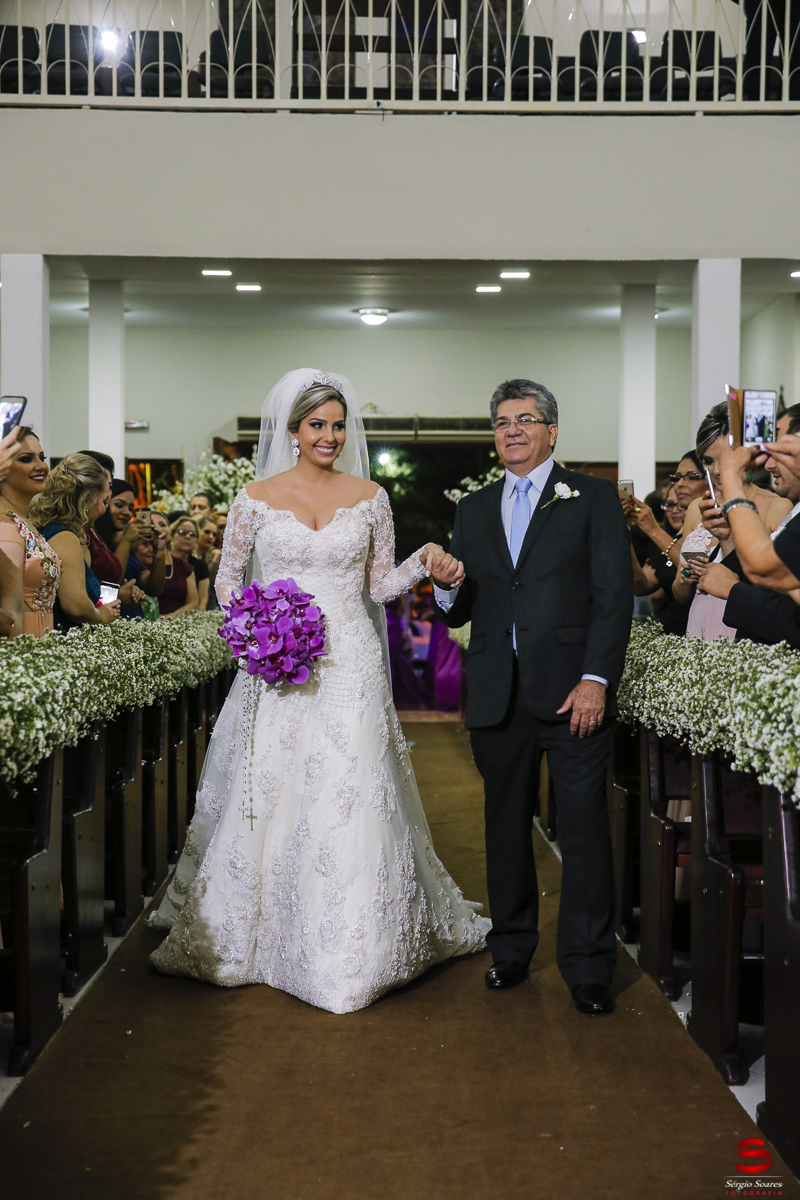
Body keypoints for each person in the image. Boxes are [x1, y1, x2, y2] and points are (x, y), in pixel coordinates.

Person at [148, 368, 489, 1013]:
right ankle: (259, 935)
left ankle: (360, 943)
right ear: (293, 430)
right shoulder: (254, 497)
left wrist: (423, 562)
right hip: (276, 663)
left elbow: (380, 587)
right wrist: (261, 625)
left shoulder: (371, 496)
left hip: (350, 662)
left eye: (337, 425)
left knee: (349, 783)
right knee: (276, 784)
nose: (329, 436)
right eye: (317, 426)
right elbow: (226, 586)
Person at [432, 379, 632, 1016]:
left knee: (583, 831)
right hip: (498, 692)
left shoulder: (592, 498)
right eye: (500, 422)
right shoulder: (474, 508)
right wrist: (443, 588)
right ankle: (511, 949)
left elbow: (612, 598)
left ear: (551, 431)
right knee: (504, 827)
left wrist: (597, 679)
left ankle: (588, 965)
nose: (511, 430)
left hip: (575, 693)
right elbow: (460, 605)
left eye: (525, 419)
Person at [672, 403, 790, 640]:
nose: (716, 471)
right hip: (699, 623)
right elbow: (679, 593)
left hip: (744, 628)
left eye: (724, 459)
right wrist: (686, 578)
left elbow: (776, 593)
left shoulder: (774, 507)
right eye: (708, 461)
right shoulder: (697, 508)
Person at [29, 453, 121, 629]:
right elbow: (76, 606)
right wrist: (102, 614)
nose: (103, 510)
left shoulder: (42, 528)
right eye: (104, 501)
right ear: (87, 498)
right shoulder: (64, 537)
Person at [0, 427, 62, 637]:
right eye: (26, 459)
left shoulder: (21, 521)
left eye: (41, 457)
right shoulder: (5, 524)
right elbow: (10, 609)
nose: (41, 466)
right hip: (21, 650)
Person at [629, 485, 689, 635]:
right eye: (669, 505)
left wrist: (653, 529)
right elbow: (640, 585)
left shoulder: (705, 538)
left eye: (681, 504)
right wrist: (623, 531)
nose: (675, 510)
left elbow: (690, 568)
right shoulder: (662, 545)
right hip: (671, 635)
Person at [91, 478, 147, 614]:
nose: (127, 513)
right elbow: (113, 581)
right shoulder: (92, 539)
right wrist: (126, 541)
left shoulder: (119, 542)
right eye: (119, 505)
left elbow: (152, 587)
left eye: (130, 508)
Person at [156, 514, 198, 617]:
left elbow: (193, 603)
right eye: (182, 532)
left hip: (177, 623)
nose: (157, 528)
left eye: (162, 524)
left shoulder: (185, 567)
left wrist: (168, 618)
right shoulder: (138, 562)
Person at [169, 516, 209, 610]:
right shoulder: (162, 562)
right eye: (182, 532)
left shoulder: (200, 566)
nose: (187, 537)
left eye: (192, 534)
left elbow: (203, 600)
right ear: (172, 535)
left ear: (196, 540)